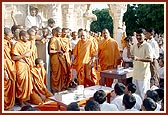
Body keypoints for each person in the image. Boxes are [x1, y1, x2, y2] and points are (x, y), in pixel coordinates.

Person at [128, 28, 153, 99]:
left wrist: (138, 58)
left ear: (144, 36)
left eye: (140, 35)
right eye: (137, 35)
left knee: (143, 94)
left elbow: (150, 59)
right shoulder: (135, 46)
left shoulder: (147, 46)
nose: (138, 37)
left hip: (143, 75)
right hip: (135, 74)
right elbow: (129, 56)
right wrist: (129, 48)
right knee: (135, 95)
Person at [11, 30, 33, 107]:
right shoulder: (17, 44)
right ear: (21, 37)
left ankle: (25, 99)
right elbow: (14, 57)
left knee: (27, 83)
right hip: (20, 65)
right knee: (21, 83)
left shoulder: (27, 44)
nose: (27, 38)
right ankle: (20, 101)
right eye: (26, 37)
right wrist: (24, 55)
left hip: (26, 65)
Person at [49, 27, 70, 92]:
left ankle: (61, 87)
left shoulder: (60, 39)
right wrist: (58, 51)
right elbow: (50, 51)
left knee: (62, 73)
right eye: (58, 32)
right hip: (55, 58)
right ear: (55, 32)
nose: (59, 34)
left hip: (61, 58)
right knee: (55, 74)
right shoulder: (53, 39)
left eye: (60, 32)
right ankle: (55, 89)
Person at [4, 28, 16, 110]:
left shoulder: (8, 42)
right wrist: (4, 71)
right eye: (9, 35)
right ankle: (4, 105)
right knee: (5, 85)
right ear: (4, 35)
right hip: (5, 67)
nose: (11, 36)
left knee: (11, 84)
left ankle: (10, 104)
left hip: (10, 65)